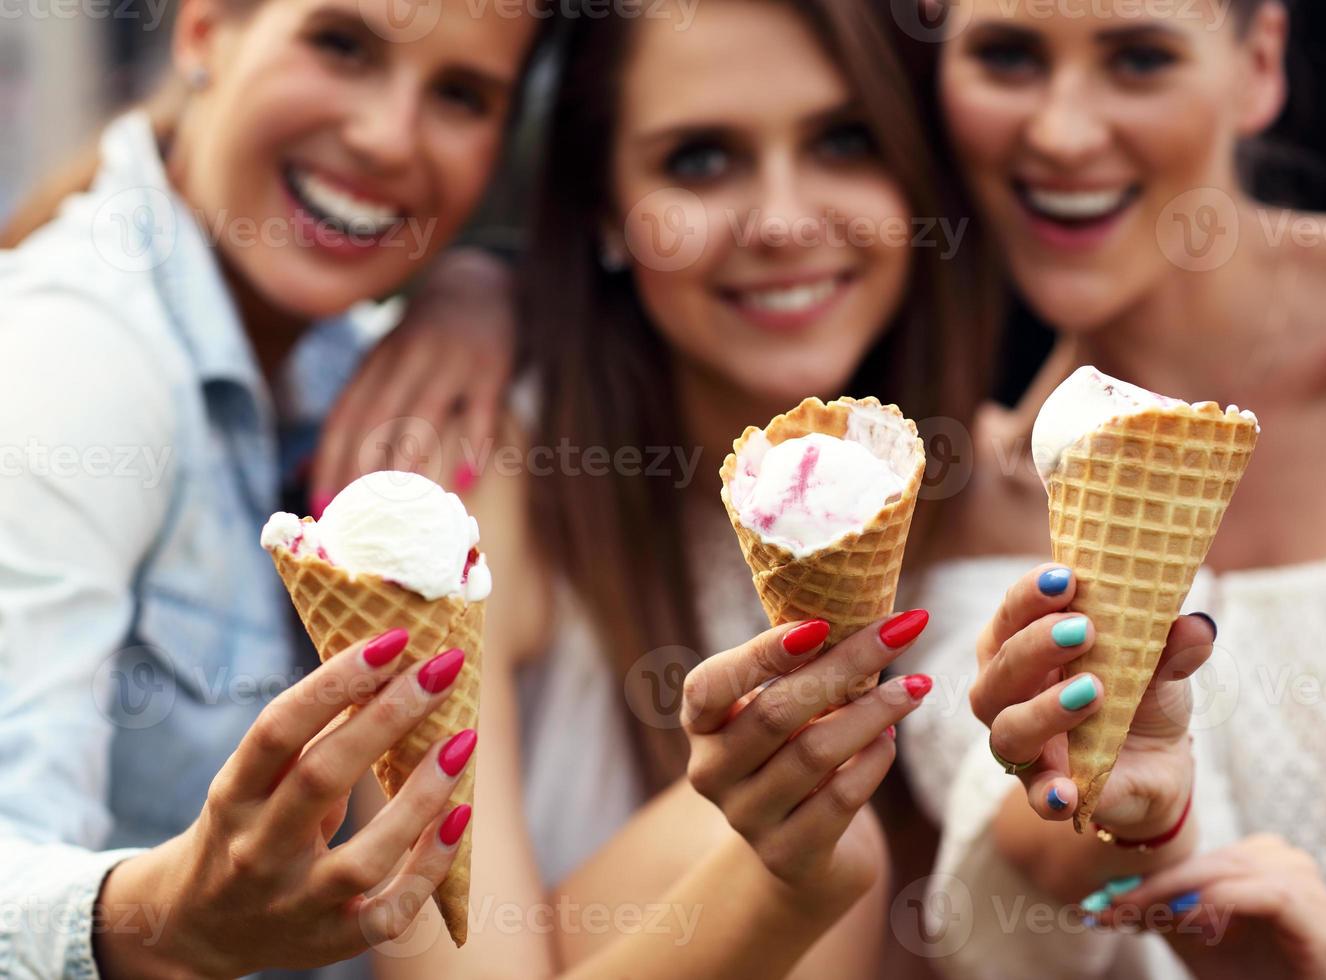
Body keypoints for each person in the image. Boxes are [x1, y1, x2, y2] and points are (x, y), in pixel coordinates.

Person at [345, 0, 992, 974]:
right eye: (698, 159)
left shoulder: (992, 484)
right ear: (605, 205)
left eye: (845, 141)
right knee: (768, 826)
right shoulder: (483, 478)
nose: (781, 219)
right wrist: (787, 885)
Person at [898, 0, 1326, 976]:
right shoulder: (958, 500)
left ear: (1259, 62)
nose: (1063, 130)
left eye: (1140, 58)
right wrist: (1126, 811)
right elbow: (1030, 887)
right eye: (1007, 56)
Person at [0, 0, 541, 971]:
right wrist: (165, 917)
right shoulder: (73, 354)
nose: (387, 136)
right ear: (205, 29)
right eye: (341, 43)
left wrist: (483, 287)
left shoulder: (350, 352)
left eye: (462, 94)